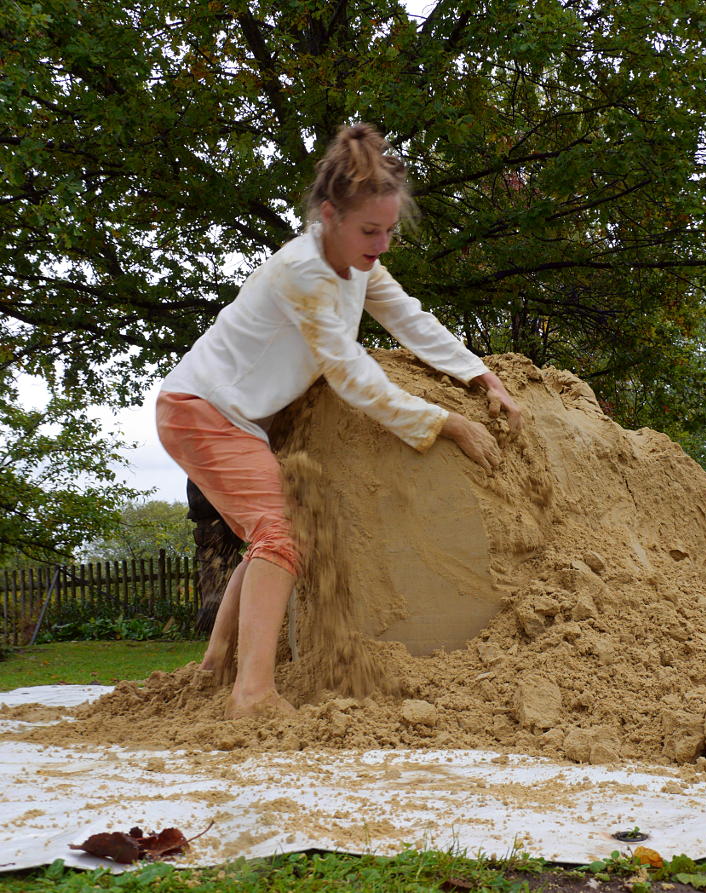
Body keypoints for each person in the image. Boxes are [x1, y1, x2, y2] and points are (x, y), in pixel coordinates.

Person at [156, 123, 522, 719]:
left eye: (389, 231)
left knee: (266, 536)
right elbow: (350, 374)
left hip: (236, 418)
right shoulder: (304, 273)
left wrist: (481, 375)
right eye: (369, 230)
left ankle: (217, 663)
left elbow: (410, 318)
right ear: (329, 215)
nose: (380, 244)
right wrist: (445, 423)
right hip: (201, 412)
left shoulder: (357, 264)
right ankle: (252, 695)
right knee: (281, 535)